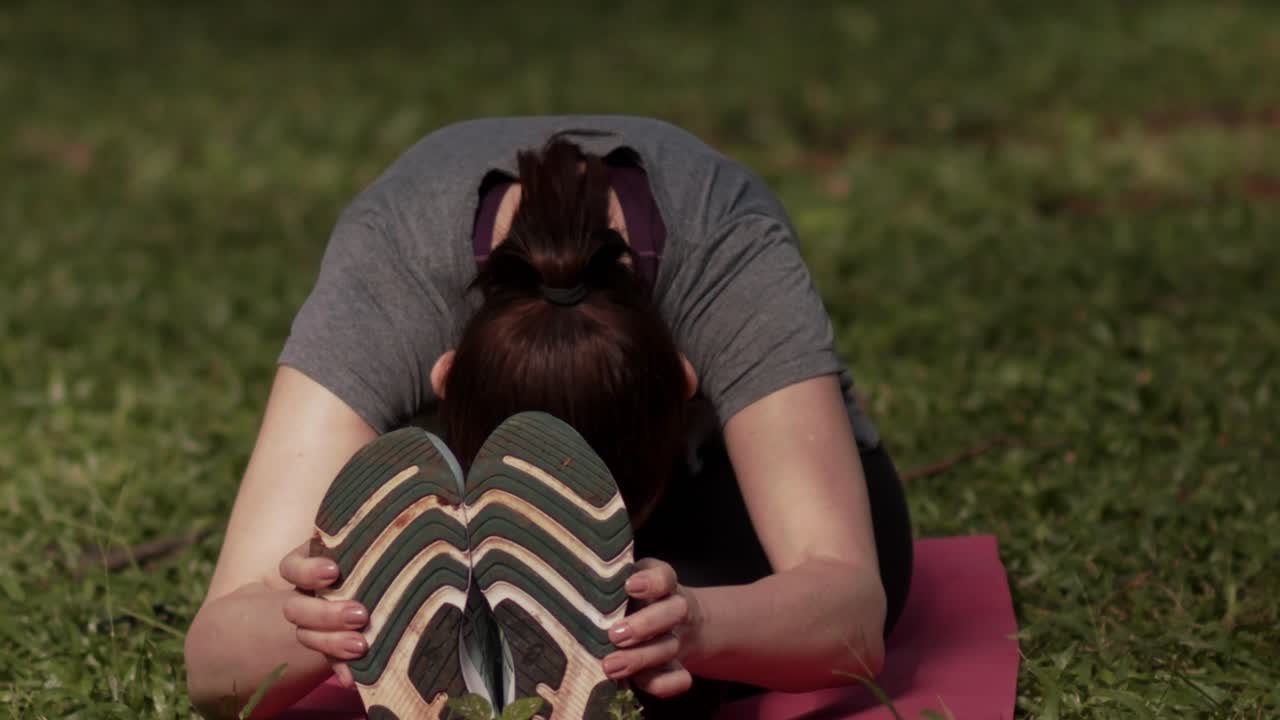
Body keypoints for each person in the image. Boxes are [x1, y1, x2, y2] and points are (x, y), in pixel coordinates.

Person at [183, 116, 913, 719]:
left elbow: (848, 604)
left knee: (637, 657)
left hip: (708, 511)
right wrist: (317, 627)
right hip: (460, 530)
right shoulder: (389, 269)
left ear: (687, 385)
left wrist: (701, 624)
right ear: (444, 379)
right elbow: (212, 660)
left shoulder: (728, 252)